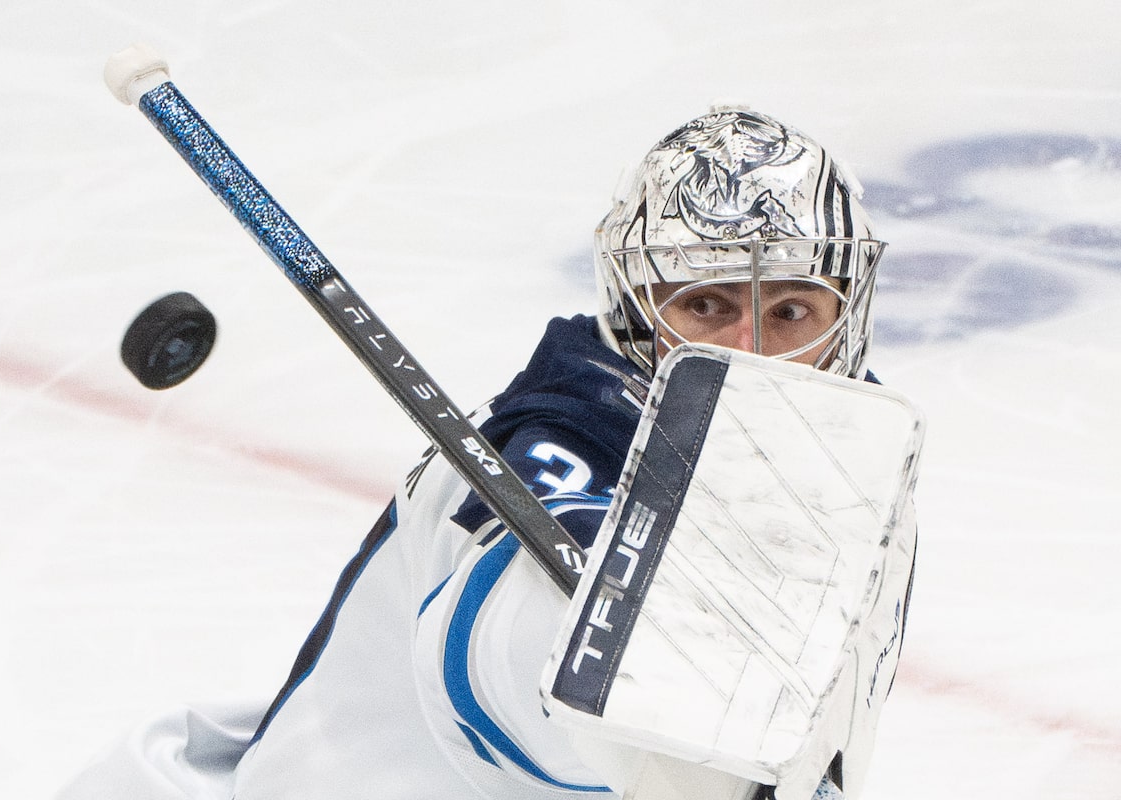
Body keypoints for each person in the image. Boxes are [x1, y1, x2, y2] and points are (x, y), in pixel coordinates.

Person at [57, 105, 906, 800]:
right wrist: (658, 744)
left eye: (793, 311)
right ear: (638, 311)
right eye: (709, 305)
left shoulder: (832, 459)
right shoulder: (557, 447)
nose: (750, 350)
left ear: (846, 317)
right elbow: (497, 676)